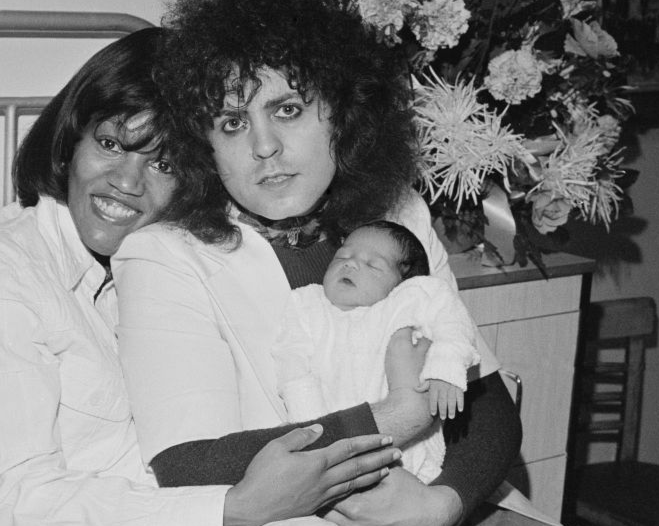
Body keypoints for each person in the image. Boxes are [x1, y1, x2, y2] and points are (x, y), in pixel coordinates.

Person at [0, 27, 400, 526]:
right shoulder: (7, 277)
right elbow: (11, 502)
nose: (126, 183)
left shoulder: (172, 260)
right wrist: (233, 509)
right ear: (68, 145)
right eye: (110, 144)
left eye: (163, 163)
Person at [112, 0, 523, 524]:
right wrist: (395, 416)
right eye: (232, 122)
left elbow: (486, 406)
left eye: (288, 109)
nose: (264, 146)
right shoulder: (161, 257)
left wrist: (441, 504)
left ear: (342, 112)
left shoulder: (400, 217)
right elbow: (189, 464)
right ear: (203, 145)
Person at [272, 220, 481, 484]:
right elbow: (292, 365)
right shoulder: (307, 305)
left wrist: (445, 370)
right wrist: (312, 428)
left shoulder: (408, 301)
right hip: (327, 450)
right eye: (343, 256)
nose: (351, 264)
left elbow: (454, 325)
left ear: (403, 283)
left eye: (373, 265)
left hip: (407, 455)